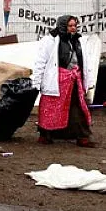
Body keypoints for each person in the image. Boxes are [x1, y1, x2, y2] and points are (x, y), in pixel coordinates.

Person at [32, 15, 97, 148]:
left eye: (75, 25)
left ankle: (82, 137)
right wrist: (37, 82)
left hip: (73, 81)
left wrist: (88, 81)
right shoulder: (50, 40)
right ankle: (45, 135)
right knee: (50, 109)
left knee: (78, 107)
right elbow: (41, 62)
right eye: (70, 25)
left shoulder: (78, 41)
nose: (74, 28)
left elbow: (84, 61)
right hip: (56, 81)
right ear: (63, 26)